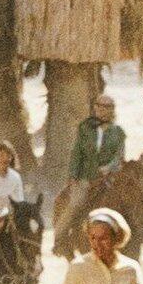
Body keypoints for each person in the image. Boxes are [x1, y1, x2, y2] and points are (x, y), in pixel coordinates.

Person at [57, 90, 128, 232]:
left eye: (106, 106)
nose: (102, 109)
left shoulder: (118, 132)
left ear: (112, 109)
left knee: (133, 203)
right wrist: (73, 175)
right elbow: (77, 153)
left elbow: (119, 156)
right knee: (74, 205)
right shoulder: (85, 128)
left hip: (110, 177)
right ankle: (60, 239)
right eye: (99, 105)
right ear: (94, 107)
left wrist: (109, 167)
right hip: (86, 177)